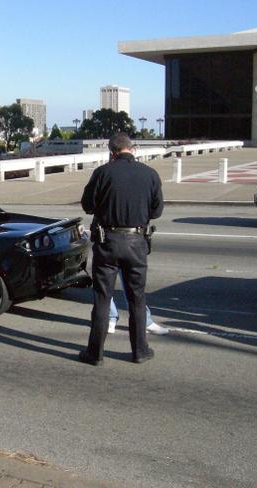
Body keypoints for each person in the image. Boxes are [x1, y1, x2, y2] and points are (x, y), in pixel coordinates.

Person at [79, 133, 164, 365]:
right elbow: (157, 212)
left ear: (111, 152)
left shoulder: (102, 173)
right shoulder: (150, 174)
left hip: (108, 241)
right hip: (136, 242)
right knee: (137, 298)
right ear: (132, 149)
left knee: (102, 298)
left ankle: (95, 354)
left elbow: (87, 205)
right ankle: (140, 351)